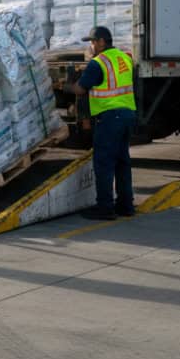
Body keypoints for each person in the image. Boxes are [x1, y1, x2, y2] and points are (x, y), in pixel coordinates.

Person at [65, 26, 136, 220]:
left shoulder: (98, 63)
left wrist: (69, 84)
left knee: (104, 163)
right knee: (122, 162)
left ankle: (105, 208)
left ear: (102, 42)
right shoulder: (125, 58)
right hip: (128, 115)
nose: (92, 45)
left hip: (110, 118)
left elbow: (81, 90)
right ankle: (126, 206)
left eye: (93, 42)